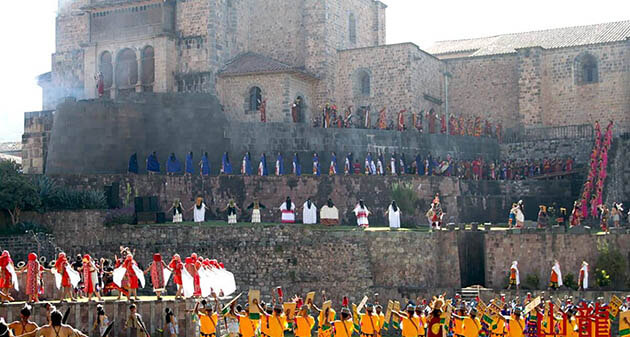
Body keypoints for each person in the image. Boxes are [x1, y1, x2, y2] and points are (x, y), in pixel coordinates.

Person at [19, 310, 88, 337]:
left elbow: (31, 334)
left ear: (51, 319)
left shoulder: (46, 329)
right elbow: (80, 335)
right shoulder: (67, 329)